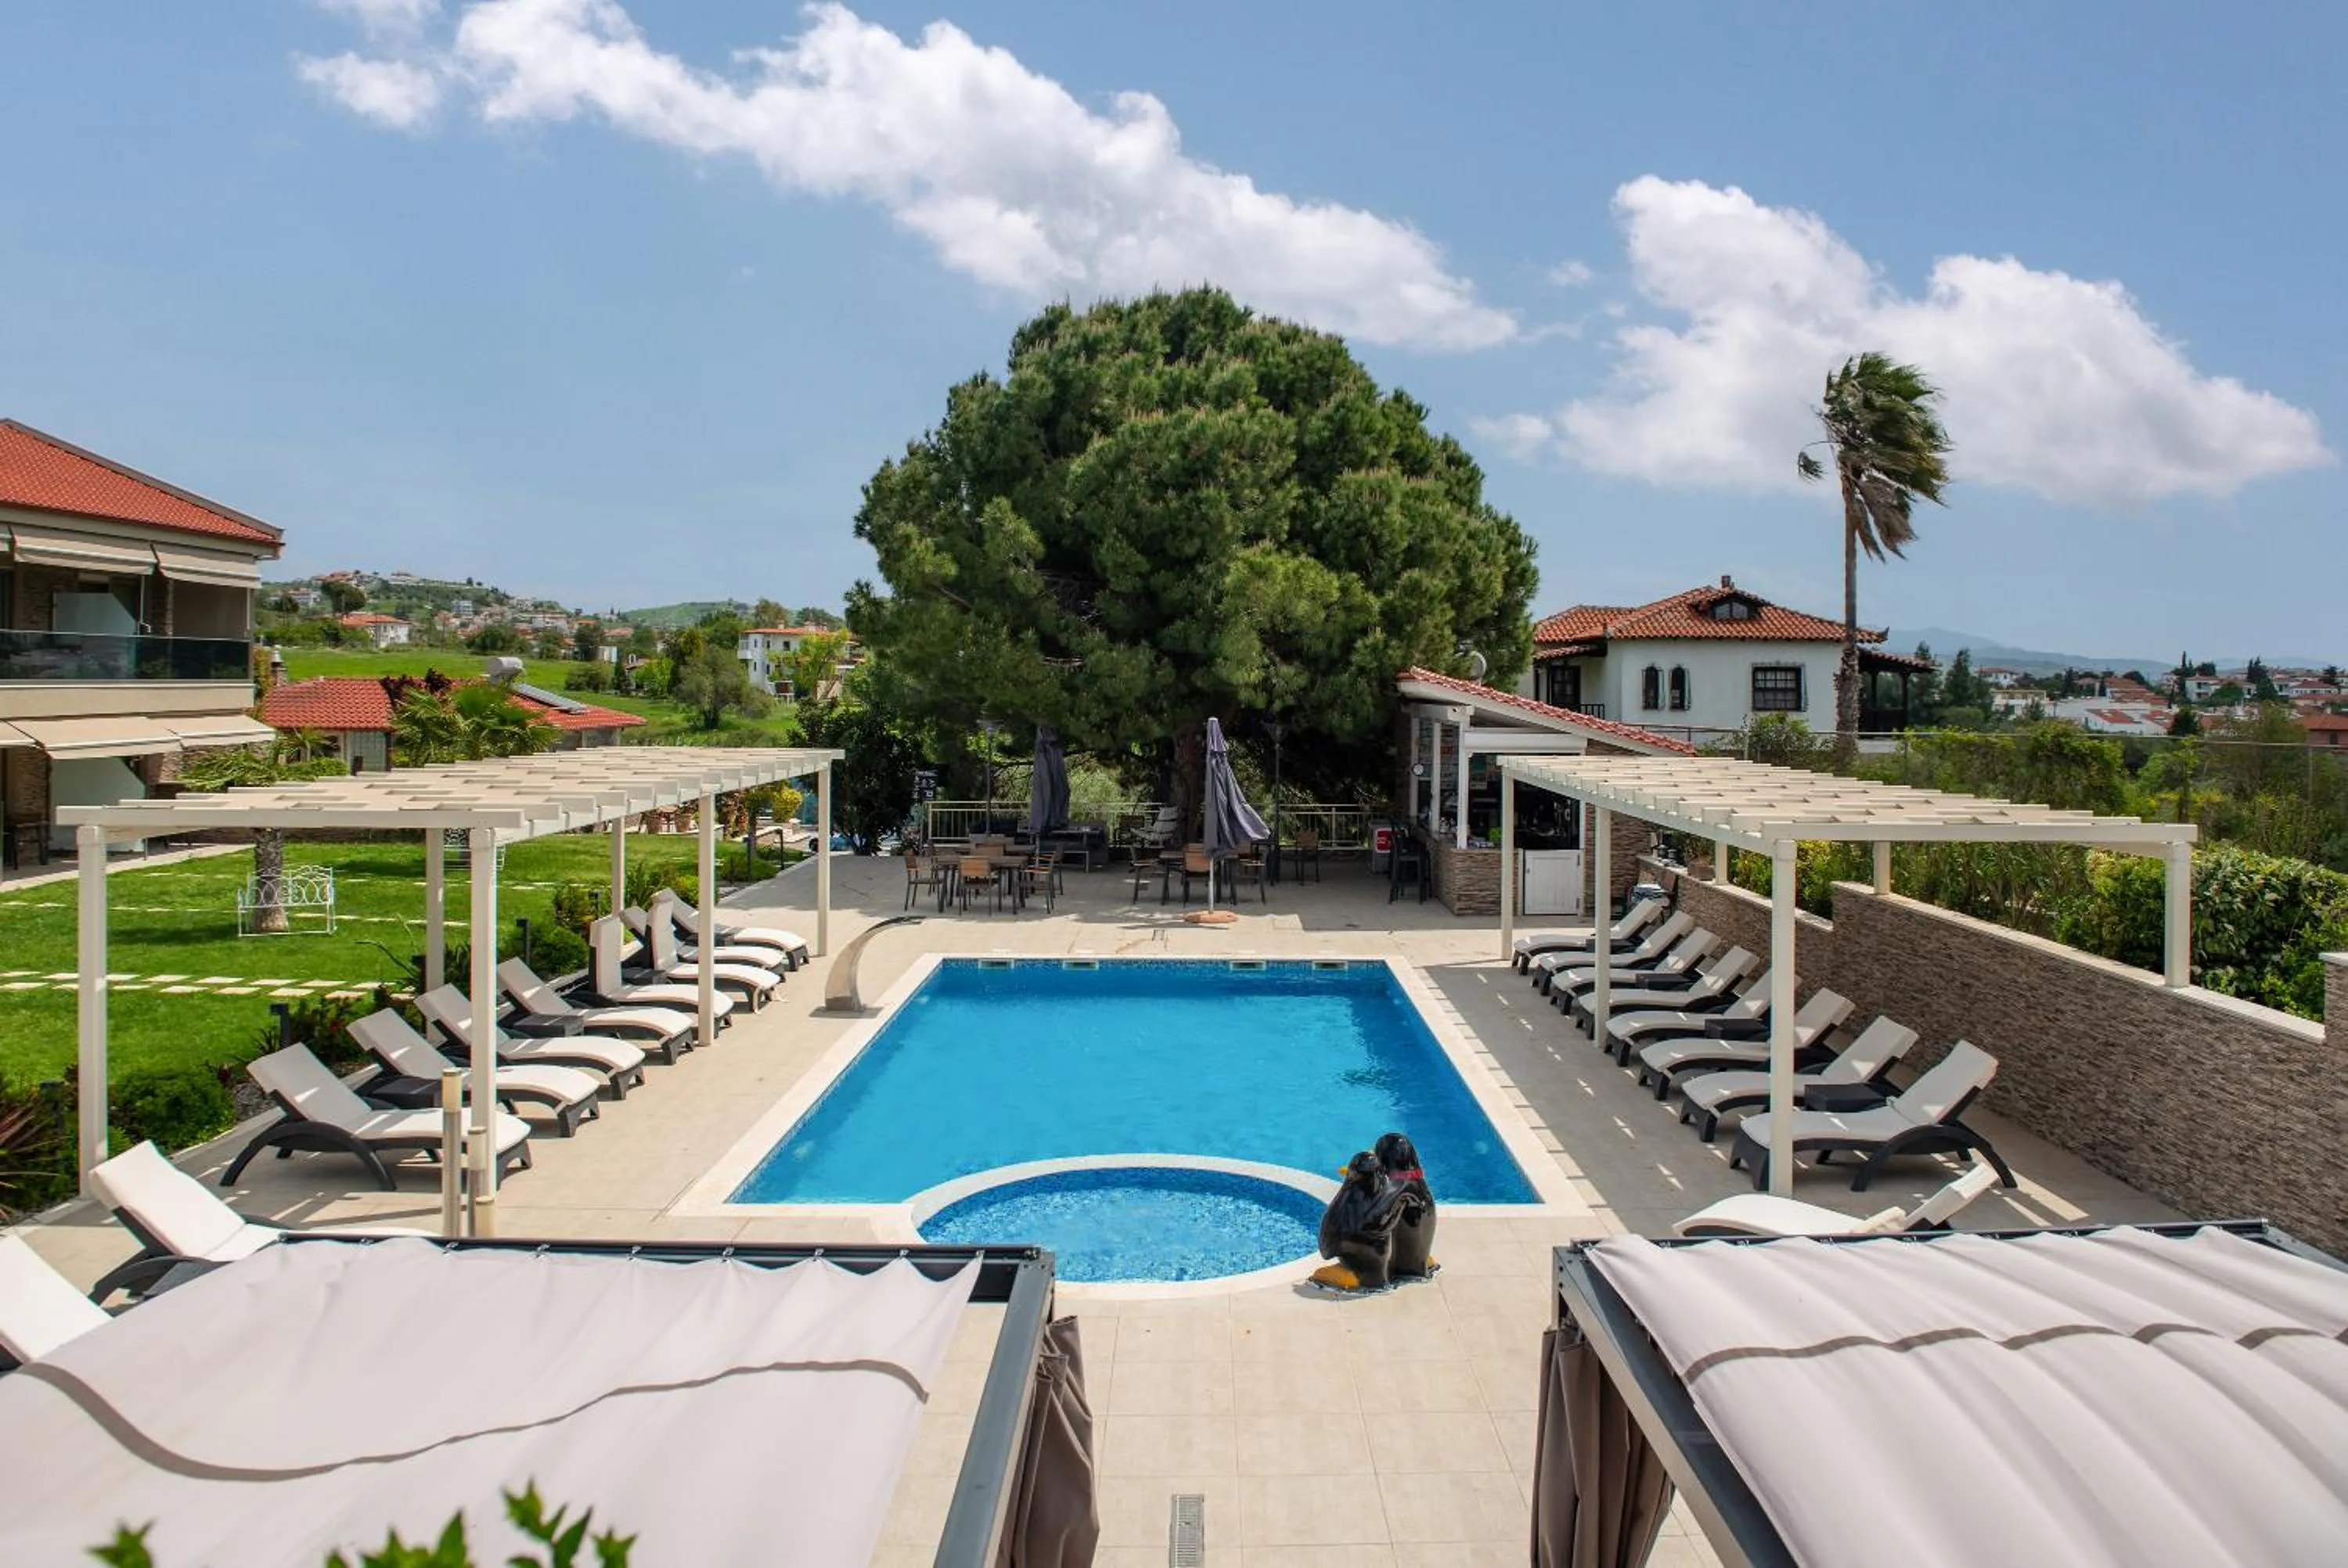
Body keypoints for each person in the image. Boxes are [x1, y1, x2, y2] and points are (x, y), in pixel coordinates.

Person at [1309, 1151, 1404, 1292]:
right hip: (1375, 1262)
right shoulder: (1379, 1200)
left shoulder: (1345, 1198)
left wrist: (1330, 1249)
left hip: (1352, 1259)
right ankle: (1377, 1279)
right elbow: (1385, 1223)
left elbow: (1326, 1246)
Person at [1375, 1132, 1438, 1278]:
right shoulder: (1417, 1183)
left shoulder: (1399, 1188)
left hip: (1403, 1268)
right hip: (1418, 1261)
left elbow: (1376, 1224)